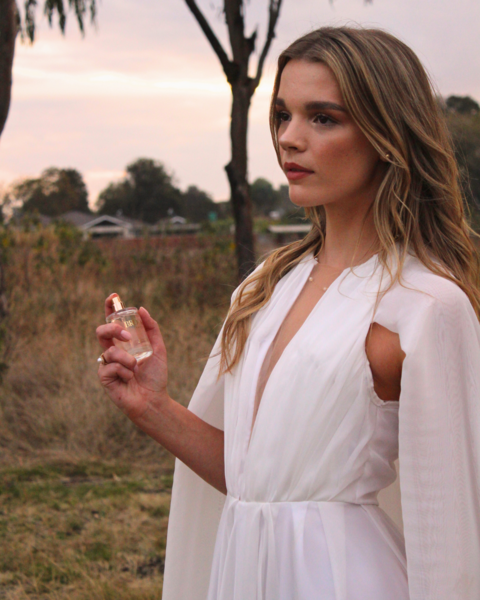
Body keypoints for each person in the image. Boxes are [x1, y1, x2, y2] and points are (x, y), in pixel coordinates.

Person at [96, 26, 480, 600]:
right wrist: (153, 406)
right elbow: (256, 481)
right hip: (244, 576)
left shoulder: (424, 306)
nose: (288, 139)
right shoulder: (264, 287)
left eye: (322, 118)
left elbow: (448, 525)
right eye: (282, 115)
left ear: (386, 134)